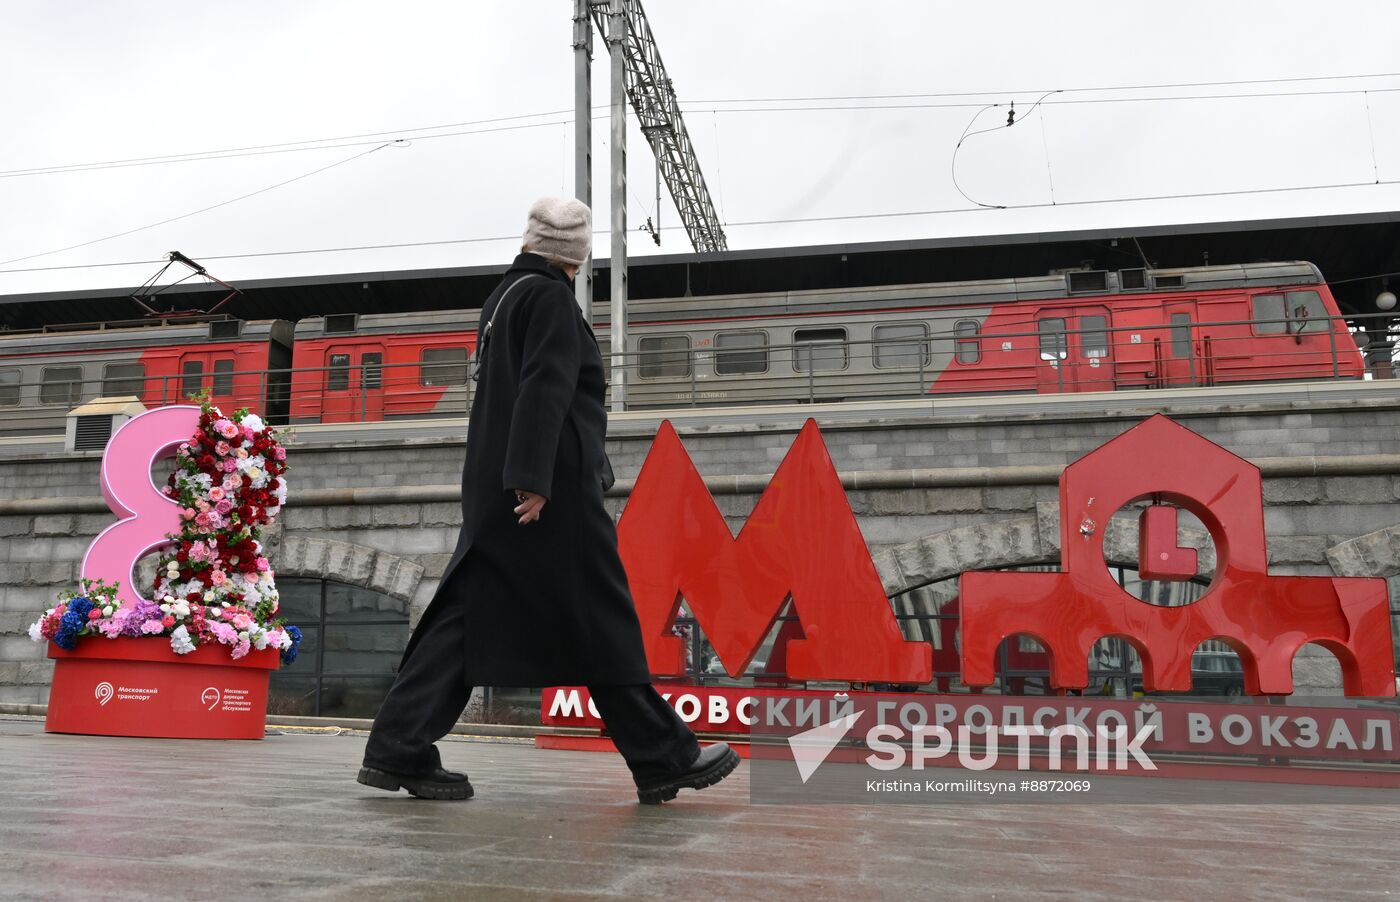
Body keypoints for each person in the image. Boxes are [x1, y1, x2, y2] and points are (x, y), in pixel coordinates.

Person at [357, 197, 739, 804]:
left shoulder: (503, 298)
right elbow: (547, 386)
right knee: (601, 616)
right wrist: (535, 478)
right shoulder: (552, 299)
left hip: (497, 491)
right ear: (580, 254)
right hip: (546, 498)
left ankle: (397, 746)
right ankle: (665, 756)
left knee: (466, 618)